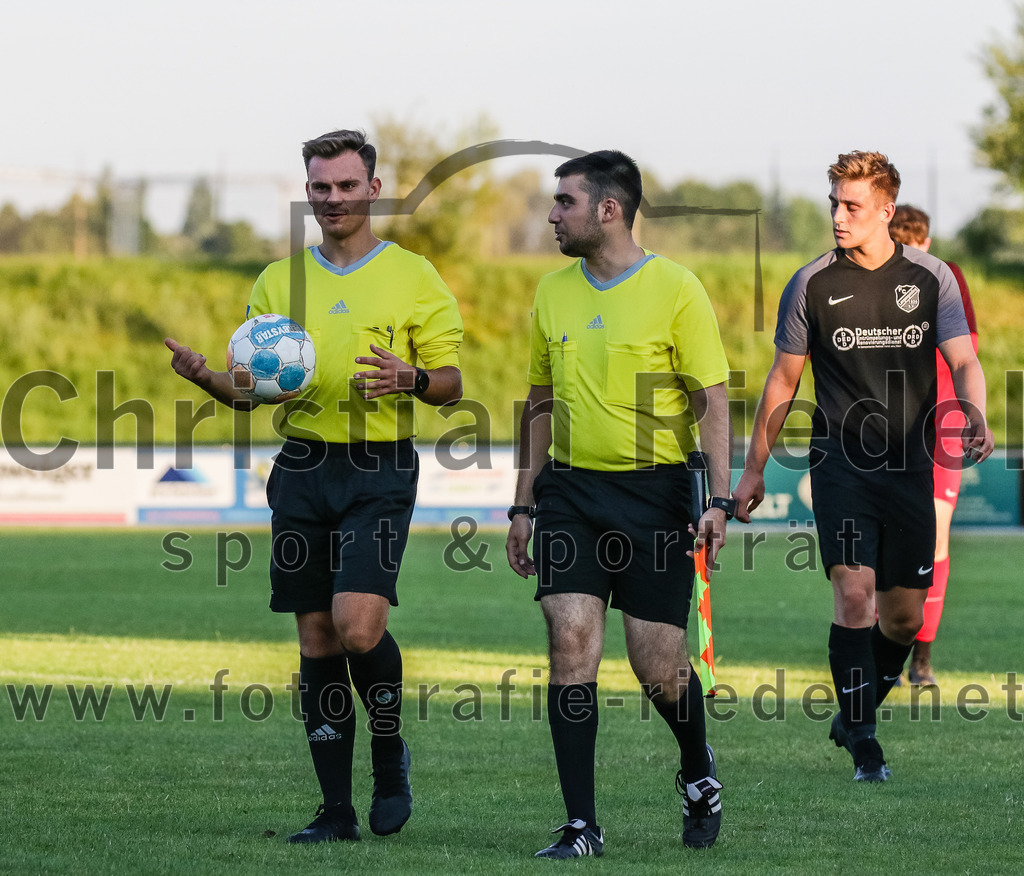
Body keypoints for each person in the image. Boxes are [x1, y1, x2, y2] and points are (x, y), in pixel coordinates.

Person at [165, 129, 464, 843]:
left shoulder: (414, 276)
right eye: (321, 187)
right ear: (308, 192)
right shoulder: (278, 281)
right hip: (301, 467)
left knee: (358, 626)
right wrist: (209, 378)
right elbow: (252, 391)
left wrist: (412, 377)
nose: (334, 198)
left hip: (379, 467)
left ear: (373, 189)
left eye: (347, 185)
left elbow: (452, 385)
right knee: (317, 636)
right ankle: (335, 812)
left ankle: (389, 752)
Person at [732, 152, 993, 783]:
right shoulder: (810, 284)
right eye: (834, 204)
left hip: (910, 467)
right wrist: (753, 468)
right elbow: (783, 381)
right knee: (854, 597)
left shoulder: (932, 279)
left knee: (903, 619)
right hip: (840, 465)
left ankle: (852, 714)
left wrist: (975, 411)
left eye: (852, 205)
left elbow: (964, 361)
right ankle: (867, 747)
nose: (839, 216)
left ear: (886, 210)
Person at [505, 150, 734, 858]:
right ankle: (582, 825)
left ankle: (697, 767)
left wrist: (718, 499)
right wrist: (522, 505)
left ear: (608, 209)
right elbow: (539, 403)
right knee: (571, 642)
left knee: (656, 664)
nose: (552, 214)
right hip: (570, 492)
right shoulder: (552, 292)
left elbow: (711, 400)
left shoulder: (677, 288)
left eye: (564, 202)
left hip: (655, 494)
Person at [888, 205, 980, 688]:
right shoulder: (872, 276)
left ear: (926, 244)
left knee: (937, 537)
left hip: (940, 424)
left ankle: (921, 657)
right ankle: (888, 647)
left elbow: (967, 351)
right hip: (883, 428)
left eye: (916, 245)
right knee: (881, 542)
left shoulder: (948, 277)